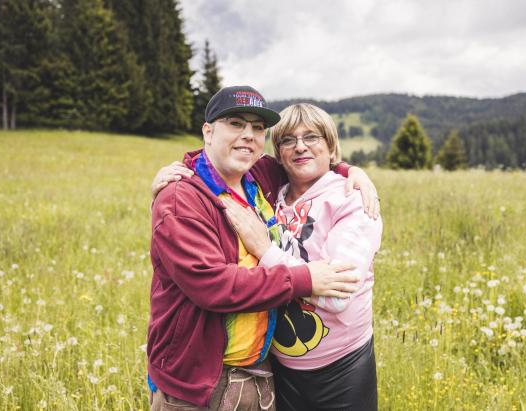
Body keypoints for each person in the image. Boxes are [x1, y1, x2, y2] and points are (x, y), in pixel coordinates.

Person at [148, 86, 373, 410]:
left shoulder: (259, 175)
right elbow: (213, 286)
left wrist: (353, 172)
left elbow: (308, 160)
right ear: (208, 132)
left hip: (263, 373)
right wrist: (305, 277)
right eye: (236, 124)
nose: (248, 135)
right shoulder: (181, 199)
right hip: (199, 384)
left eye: (257, 128)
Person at [225, 103, 382, 410]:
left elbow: (339, 295)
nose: (300, 147)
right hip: (279, 370)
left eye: (312, 137)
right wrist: (176, 173)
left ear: (330, 146)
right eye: (288, 140)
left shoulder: (352, 201)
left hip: (341, 369)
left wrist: (265, 250)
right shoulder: (271, 197)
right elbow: (219, 157)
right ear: (278, 153)